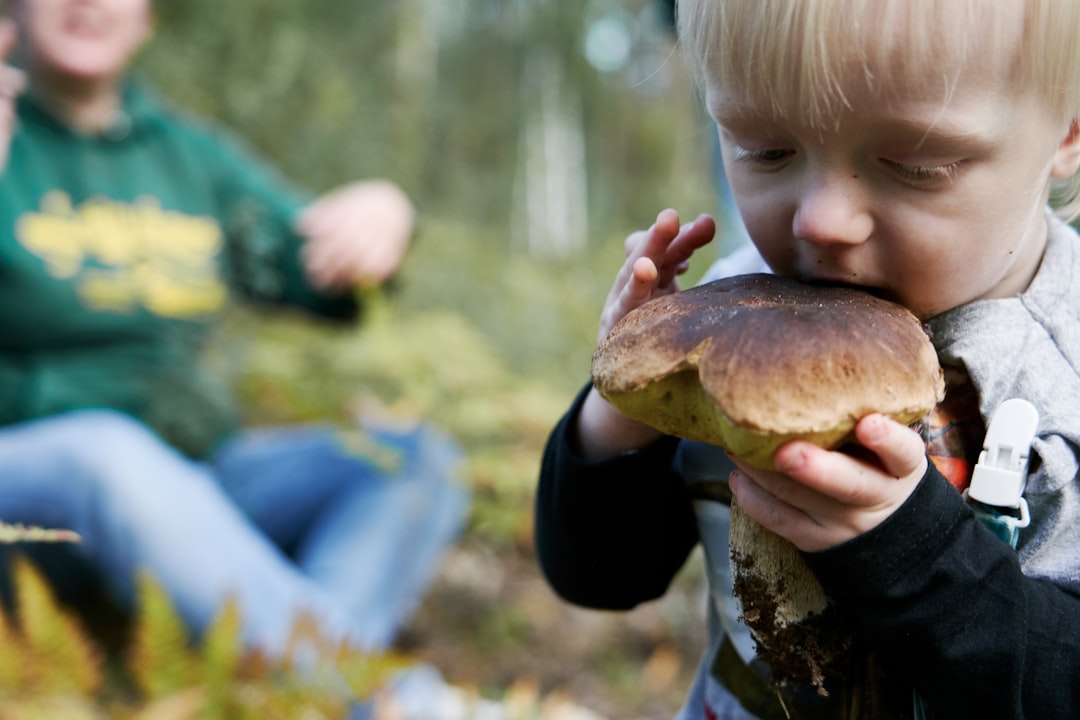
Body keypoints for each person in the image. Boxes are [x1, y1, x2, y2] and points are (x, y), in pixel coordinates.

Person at [535, 0, 1080, 718]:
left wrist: (914, 556)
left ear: (1068, 133)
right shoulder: (731, 323)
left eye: (918, 164)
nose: (819, 221)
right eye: (765, 149)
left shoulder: (1061, 381)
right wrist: (617, 412)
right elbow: (599, 577)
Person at [0, 0, 468, 663]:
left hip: (191, 477)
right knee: (103, 453)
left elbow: (319, 265)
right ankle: (390, 702)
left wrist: (384, 213)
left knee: (412, 459)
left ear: (148, 18)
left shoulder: (187, 158)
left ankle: (302, 685)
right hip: (27, 481)